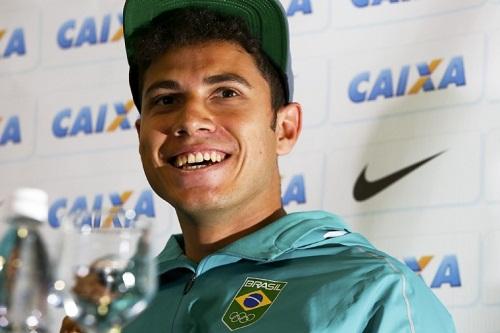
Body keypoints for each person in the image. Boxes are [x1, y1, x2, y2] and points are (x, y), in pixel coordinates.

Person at [61, 0, 456, 332]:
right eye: (165, 99)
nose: (189, 119)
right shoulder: (113, 308)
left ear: (284, 128)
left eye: (226, 93)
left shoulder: (375, 291)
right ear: (141, 135)